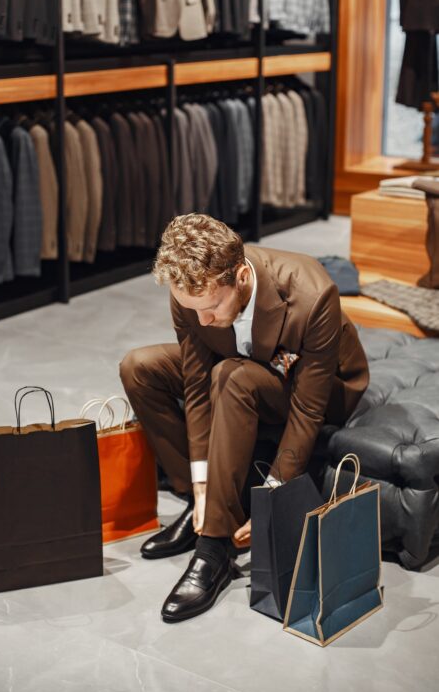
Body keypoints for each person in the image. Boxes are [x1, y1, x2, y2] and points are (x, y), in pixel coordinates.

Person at [120, 214, 369, 623]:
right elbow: (195, 382)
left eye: (211, 308)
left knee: (231, 376)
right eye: (191, 309)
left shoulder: (312, 293)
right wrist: (200, 485)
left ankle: (214, 548)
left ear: (239, 277)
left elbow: (309, 409)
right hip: (244, 360)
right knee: (139, 367)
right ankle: (200, 503)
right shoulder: (193, 288)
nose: (201, 321)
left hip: (320, 387)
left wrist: (271, 499)